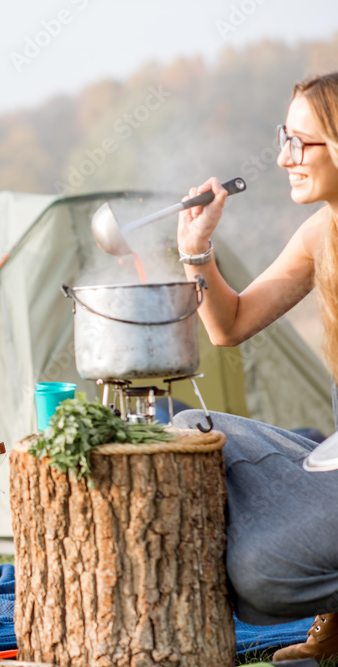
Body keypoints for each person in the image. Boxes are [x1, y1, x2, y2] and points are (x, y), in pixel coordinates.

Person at [174, 71, 338, 662]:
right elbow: (230, 325)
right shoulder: (323, 232)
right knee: (188, 426)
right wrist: (197, 248)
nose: (282, 157)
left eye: (299, 142)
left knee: (258, 571)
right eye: (281, 137)